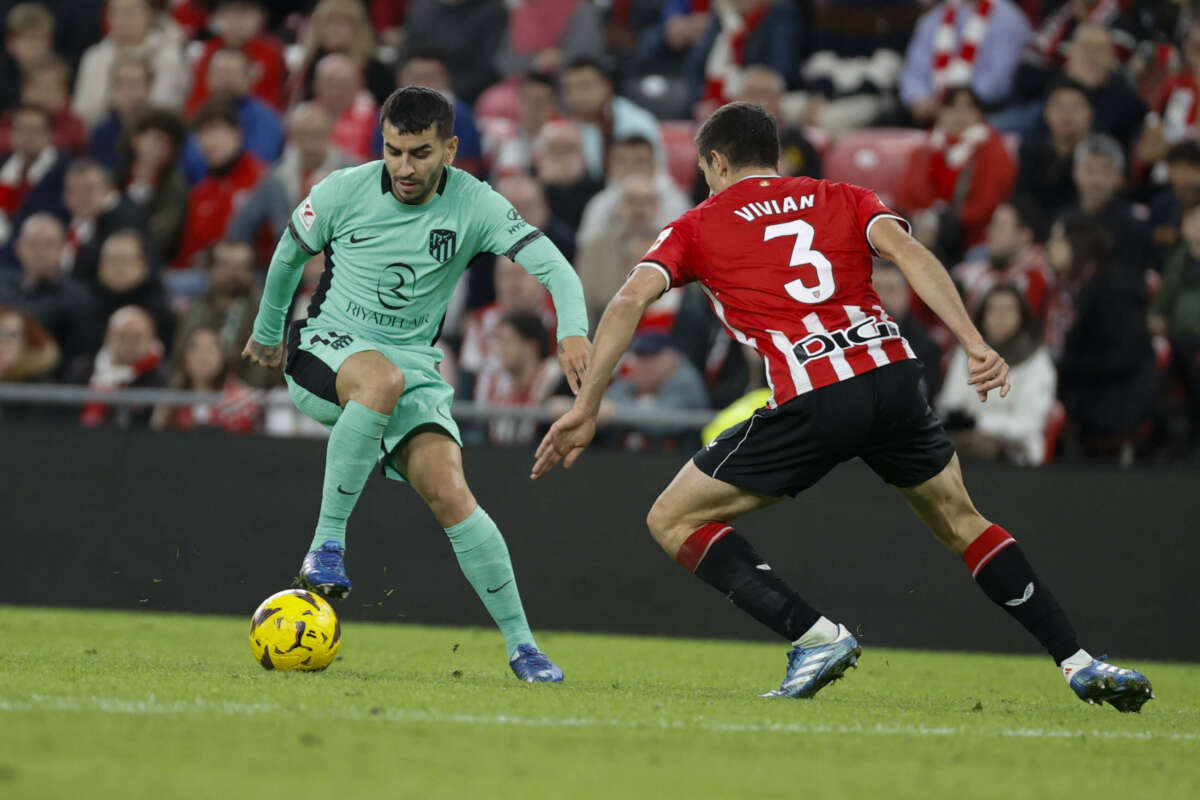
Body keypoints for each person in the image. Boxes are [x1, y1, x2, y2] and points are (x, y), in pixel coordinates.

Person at [532, 101, 1153, 710]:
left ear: (715, 161)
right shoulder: (845, 195)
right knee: (964, 522)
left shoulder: (698, 223)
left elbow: (625, 303)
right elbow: (911, 255)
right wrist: (973, 342)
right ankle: (1078, 660)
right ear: (772, 156)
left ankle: (816, 637)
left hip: (817, 390)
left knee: (672, 519)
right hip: (893, 374)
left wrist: (587, 406)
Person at [241, 86, 591, 682]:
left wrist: (574, 331)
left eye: (420, 153)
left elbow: (553, 265)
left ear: (451, 149)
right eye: (394, 151)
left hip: (412, 369)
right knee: (380, 378)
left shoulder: (475, 204)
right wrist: (269, 331)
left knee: (452, 492)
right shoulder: (342, 190)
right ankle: (326, 546)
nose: (404, 167)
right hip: (327, 347)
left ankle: (522, 647)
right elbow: (286, 256)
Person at [936, 285, 1057, 466]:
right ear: (982, 315)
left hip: (1018, 450)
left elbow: (1028, 424)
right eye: (993, 309)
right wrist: (962, 423)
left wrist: (977, 422)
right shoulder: (966, 355)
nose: (1000, 316)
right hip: (963, 441)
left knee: (983, 450)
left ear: (1021, 316)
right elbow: (949, 405)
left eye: (1008, 309)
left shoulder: (1038, 361)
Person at [897, 86, 1015, 265]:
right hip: (929, 234)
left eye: (969, 107)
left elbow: (988, 204)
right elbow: (908, 196)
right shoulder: (925, 148)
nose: (960, 115)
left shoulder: (992, 149)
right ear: (940, 112)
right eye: (952, 107)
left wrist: (949, 221)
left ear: (979, 114)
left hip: (977, 239)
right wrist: (927, 220)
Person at [228, 102, 354, 247]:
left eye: (318, 134)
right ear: (292, 138)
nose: (311, 142)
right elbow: (240, 225)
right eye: (304, 135)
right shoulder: (276, 178)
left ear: (330, 133)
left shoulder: (353, 172)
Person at [898, 0, 1030, 126]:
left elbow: (999, 81)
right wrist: (920, 99)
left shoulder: (1007, 19)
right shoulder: (933, 18)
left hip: (987, 109)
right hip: (932, 108)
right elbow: (913, 71)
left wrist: (953, 105)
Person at [0, 213, 95, 381]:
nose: (40, 252)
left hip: (45, 389)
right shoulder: (3, 285)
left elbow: (79, 358)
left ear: (63, 249)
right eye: (33, 244)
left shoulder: (78, 298)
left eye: (49, 244)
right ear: (18, 248)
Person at [173, 101, 266, 271]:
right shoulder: (200, 192)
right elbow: (187, 255)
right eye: (201, 134)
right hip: (202, 281)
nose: (207, 142)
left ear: (237, 133)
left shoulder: (262, 181)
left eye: (215, 131)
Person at [71, 0, 189, 128]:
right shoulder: (94, 56)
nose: (121, 18)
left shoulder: (169, 56)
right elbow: (81, 112)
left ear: (149, 14)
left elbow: (165, 108)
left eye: (130, 12)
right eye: (114, 12)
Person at [181, 47, 284, 181]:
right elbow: (186, 163)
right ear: (208, 78)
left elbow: (256, 165)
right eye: (220, 73)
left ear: (249, 78)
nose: (225, 81)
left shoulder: (266, 121)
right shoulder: (198, 114)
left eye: (232, 74)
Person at [561, 57, 665, 181]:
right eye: (569, 89)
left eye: (584, 86)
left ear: (607, 87)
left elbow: (654, 175)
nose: (576, 95)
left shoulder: (636, 122)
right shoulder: (562, 129)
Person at [1150, 201, 1200, 453]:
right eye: (1193, 221)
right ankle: (1164, 437)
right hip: (1178, 338)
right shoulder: (1179, 257)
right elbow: (1165, 295)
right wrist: (1155, 315)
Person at [1014, 78, 1094, 229]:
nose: (1067, 113)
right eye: (1059, 105)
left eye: (1075, 106)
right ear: (1046, 112)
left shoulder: (1096, 161)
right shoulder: (1031, 153)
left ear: (1090, 113)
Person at [152, 324, 261, 433]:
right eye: (195, 348)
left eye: (211, 348)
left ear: (222, 356)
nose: (203, 355)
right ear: (184, 357)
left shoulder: (240, 400)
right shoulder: (171, 401)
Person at [472, 310, 560, 445]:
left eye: (507, 341)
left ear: (530, 347)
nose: (500, 350)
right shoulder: (502, 386)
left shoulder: (558, 381)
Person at [79, 304, 166, 428]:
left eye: (137, 337)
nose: (129, 343)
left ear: (151, 339)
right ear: (108, 337)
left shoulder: (162, 379)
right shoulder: (83, 370)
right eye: (122, 336)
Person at [122, 109, 190, 265]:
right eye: (155, 139)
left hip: (152, 264)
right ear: (135, 140)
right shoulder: (116, 178)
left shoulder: (175, 186)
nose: (159, 148)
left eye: (167, 144)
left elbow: (162, 236)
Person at [61, 159, 145, 285]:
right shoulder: (68, 219)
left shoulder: (124, 220)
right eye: (73, 191)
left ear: (107, 189)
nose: (81, 197)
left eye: (89, 190)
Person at [0, 104, 69, 249]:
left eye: (35, 131)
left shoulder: (63, 171)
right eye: (21, 129)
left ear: (48, 135)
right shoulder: (3, 165)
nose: (27, 137)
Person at [86, 53, 154, 175]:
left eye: (133, 83)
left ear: (148, 88)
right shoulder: (101, 132)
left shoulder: (161, 130)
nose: (126, 90)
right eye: (120, 83)